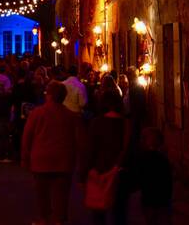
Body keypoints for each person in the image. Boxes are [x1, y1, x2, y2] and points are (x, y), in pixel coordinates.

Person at [22, 82, 81, 225]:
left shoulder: (37, 113)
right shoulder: (71, 116)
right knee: (61, 196)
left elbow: (27, 137)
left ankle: (44, 219)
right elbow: (79, 140)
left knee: (42, 196)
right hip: (63, 161)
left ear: (49, 95)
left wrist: (25, 158)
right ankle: (58, 220)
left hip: (41, 160)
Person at [80, 90, 132, 225]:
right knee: (120, 211)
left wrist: (83, 174)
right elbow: (130, 150)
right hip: (120, 172)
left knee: (99, 211)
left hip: (100, 170)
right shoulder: (126, 124)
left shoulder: (97, 123)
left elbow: (90, 150)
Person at [138, 128, 173, 225]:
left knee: (151, 220)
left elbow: (140, 178)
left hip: (148, 198)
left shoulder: (143, 158)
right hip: (163, 198)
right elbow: (168, 180)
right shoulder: (163, 159)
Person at [11, 68, 36, 161]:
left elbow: (13, 99)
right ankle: (27, 151)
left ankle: (19, 152)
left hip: (18, 110)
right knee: (27, 130)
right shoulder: (29, 86)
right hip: (27, 110)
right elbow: (33, 98)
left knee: (18, 131)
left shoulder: (16, 86)